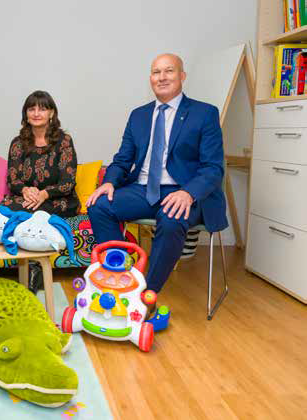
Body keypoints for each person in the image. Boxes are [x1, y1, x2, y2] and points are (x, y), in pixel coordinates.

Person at [86, 53, 228, 309]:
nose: (162, 77)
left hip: (183, 190)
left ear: (182, 76)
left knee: (172, 219)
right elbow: (122, 159)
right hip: (142, 189)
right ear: (150, 78)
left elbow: (213, 168)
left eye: (169, 71)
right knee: (99, 205)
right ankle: (123, 273)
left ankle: (143, 293)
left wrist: (189, 193)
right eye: (156, 72)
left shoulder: (204, 113)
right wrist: (109, 182)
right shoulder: (138, 115)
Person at [1, 90, 80, 293]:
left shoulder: (64, 141)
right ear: (26, 114)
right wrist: (26, 189)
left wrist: (43, 194)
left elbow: (67, 182)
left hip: (58, 199)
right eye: (32, 108)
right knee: (5, 207)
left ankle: (35, 268)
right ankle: (31, 267)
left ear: (51, 113)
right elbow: (13, 179)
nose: (37, 113)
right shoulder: (18, 143)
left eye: (42, 109)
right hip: (28, 199)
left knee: (33, 210)